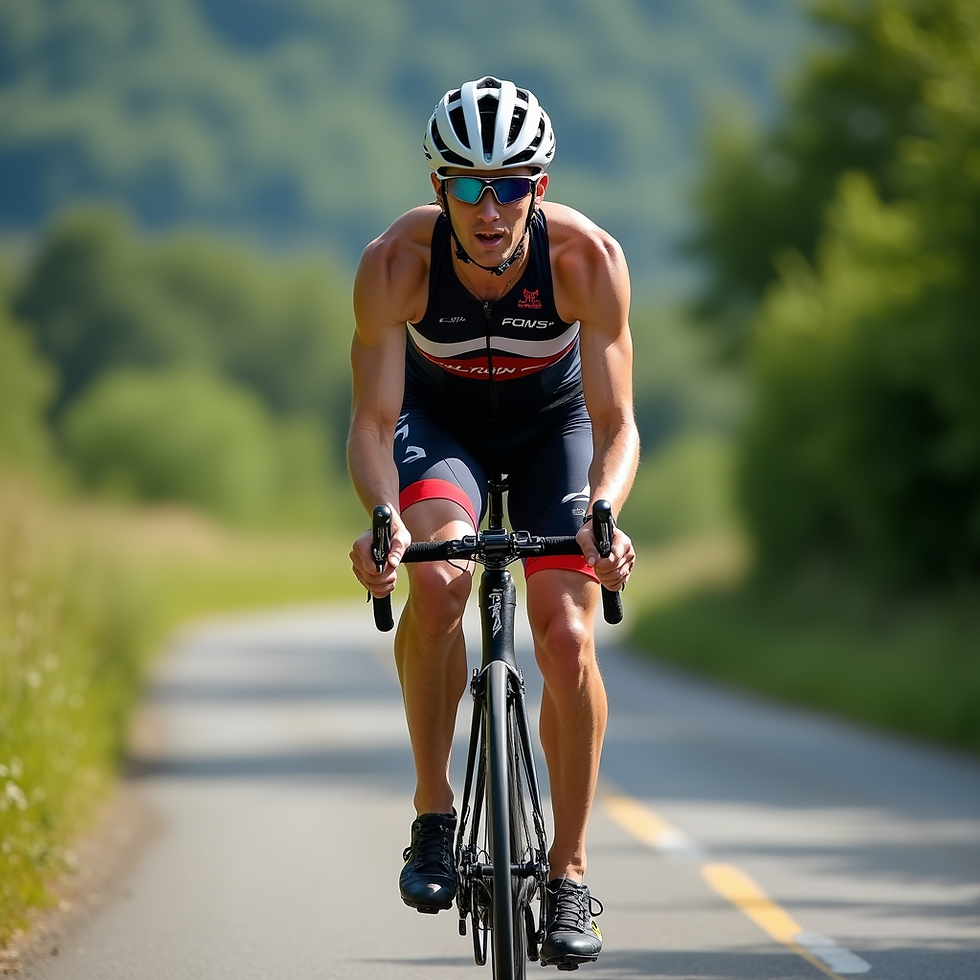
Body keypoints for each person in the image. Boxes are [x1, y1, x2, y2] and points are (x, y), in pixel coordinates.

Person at [348, 75, 638, 968]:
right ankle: (433, 810)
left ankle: (570, 871)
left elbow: (619, 423)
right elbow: (369, 423)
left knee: (567, 640)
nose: (488, 207)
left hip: (557, 431)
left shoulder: (586, 261)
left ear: (537, 189)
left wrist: (602, 511)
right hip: (440, 432)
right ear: (440, 190)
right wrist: (384, 518)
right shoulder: (395, 264)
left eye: (508, 185)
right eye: (468, 186)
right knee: (436, 580)